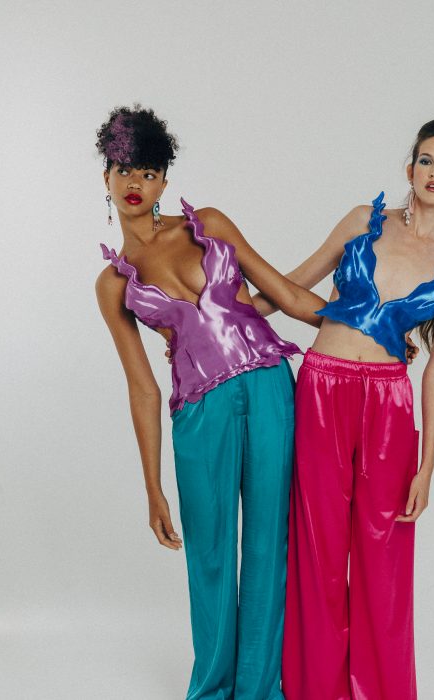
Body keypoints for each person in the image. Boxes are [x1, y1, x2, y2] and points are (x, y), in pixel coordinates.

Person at [253, 114, 434, 700]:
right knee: (316, 548)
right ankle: (314, 690)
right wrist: (217, 320)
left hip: (389, 405)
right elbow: (294, 284)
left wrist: (427, 465)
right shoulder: (365, 221)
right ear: (409, 168)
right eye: (425, 159)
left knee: (383, 558)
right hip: (322, 388)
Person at [93, 105, 327, 700]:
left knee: (269, 545)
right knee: (211, 554)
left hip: (269, 386)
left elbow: (284, 295)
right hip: (199, 412)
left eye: (148, 171)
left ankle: (260, 690)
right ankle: (212, 689)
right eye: (124, 169)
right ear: (106, 177)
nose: (135, 183)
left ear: (164, 181)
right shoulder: (113, 284)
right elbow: (142, 386)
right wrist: (152, 486)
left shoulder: (210, 224)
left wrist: (367, 326)